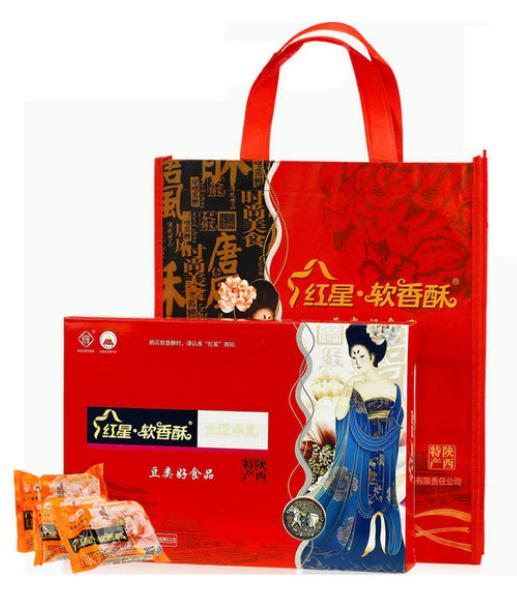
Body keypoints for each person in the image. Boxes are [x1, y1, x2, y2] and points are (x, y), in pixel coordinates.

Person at [300, 324, 405, 571]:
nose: (356, 361)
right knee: (365, 502)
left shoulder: (388, 388)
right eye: (353, 355)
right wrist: (348, 387)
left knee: (373, 501)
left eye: (360, 354)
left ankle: (378, 548)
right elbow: (341, 417)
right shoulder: (365, 386)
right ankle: (367, 547)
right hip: (368, 458)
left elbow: (344, 415)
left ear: (373, 355)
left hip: (378, 459)